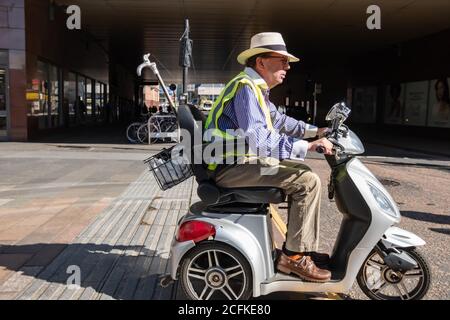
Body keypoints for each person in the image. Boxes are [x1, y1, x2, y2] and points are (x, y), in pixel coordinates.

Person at [204, 32, 333, 282]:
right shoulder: (245, 89)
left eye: (287, 62)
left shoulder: (255, 88)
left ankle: (300, 248)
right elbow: (259, 140)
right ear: (261, 62)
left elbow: (279, 120)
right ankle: (294, 257)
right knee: (307, 181)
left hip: (238, 162)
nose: (287, 66)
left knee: (302, 174)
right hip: (230, 167)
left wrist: (315, 131)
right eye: (282, 60)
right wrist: (308, 147)